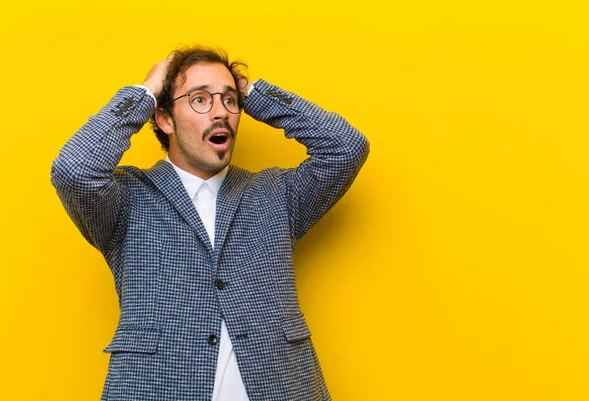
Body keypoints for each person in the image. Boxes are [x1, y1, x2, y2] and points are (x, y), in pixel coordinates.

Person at [51, 45, 369, 401]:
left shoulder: (277, 194)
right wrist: (146, 91)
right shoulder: (125, 201)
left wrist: (251, 91)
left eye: (229, 100)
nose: (220, 112)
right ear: (165, 118)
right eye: (200, 99)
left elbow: (346, 148)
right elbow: (74, 171)